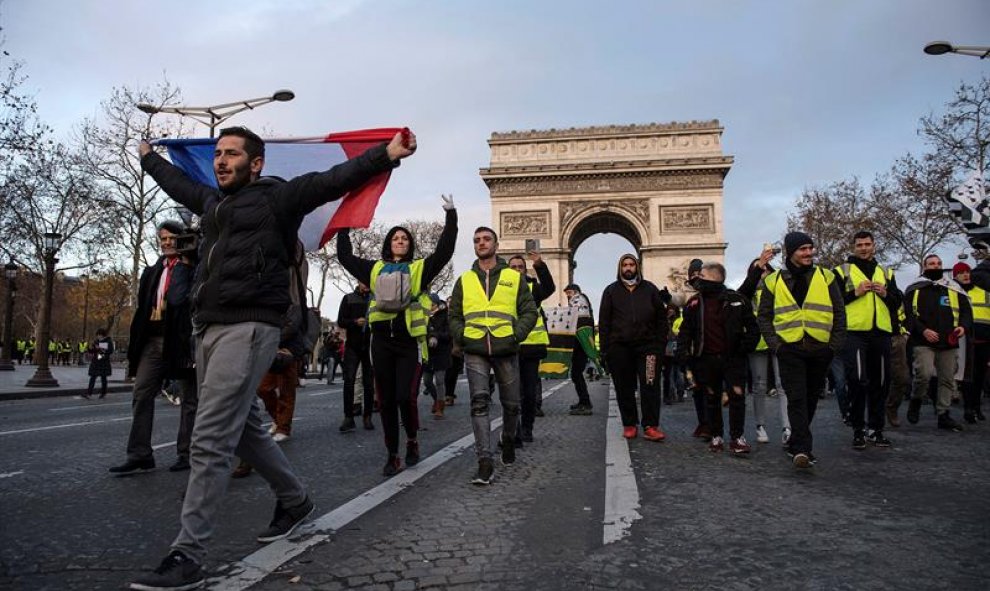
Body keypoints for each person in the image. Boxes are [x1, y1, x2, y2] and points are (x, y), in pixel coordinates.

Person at [130, 126, 416, 591]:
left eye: (232, 154)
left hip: (249, 326)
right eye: (218, 154)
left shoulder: (277, 199)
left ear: (256, 163)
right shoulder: (212, 204)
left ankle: (188, 553)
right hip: (208, 326)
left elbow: (332, 179)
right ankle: (295, 499)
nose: (221, 161)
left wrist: (385, 154)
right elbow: (179, 185)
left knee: (210, 434)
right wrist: (148, 158)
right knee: (241, 427)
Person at [337, 195, 457, 476]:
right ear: (388, 243)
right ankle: (392, 454)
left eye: (404, 238)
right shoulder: (374, 268)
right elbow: (344, 257)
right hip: (380, 343)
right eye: (395, 237)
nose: (400, 241)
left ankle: (412, 440)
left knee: (405, 397)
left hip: (408, 343)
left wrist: (451, 216)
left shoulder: (419, 269)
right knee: (387, 401)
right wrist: (344, 226)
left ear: (410, 244)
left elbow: (445, 251)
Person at [109, 220, 198, 475]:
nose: (167, 243)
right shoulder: (151, 272)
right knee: (142, 392)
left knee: (189, 398)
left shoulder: (193, 269)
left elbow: (182, 299)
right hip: (153, 338)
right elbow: (142, 307)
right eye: (163, 239)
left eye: (172, 238)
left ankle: (187, 453)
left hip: (181, 341)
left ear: (182, 241)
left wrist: (185, 264)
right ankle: (140, 454)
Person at [450, 226, 537, 485]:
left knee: (512, 405)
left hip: (505, 348)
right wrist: (463, 336)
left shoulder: (514, 277)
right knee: (479, 402)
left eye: (486, 239)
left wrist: (515, 335)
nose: (481, 243)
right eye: (476, 240)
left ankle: (508, 438)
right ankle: (484, 461)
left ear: (497, 245)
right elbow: (453, 314)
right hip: (475, 348)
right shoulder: (464, 280)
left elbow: (529, 311)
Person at [757, 232, 846, 469]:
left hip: (820, 347)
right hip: (790, 348)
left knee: (811, 398)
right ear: (790, 252)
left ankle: (797, 438)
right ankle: (802, 449)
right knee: (796, 398)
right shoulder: (772, 281)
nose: (808, 253)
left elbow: (839, 312)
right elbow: (764, 316)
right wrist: (776, 345)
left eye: (810, 248)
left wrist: (833, 346)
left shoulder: (827, 277)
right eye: (802, 249)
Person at [679, 262, 760, 453]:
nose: (697, 279)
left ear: (714, 279)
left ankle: (737, 437)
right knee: (712, 397)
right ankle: (716, 435)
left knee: (737, 397)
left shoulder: (737, 300)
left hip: (733, 358)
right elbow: (685, 331)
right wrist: (683, 354)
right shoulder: (693, 303)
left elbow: (753, 328)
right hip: (706, 359)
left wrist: (744, 348)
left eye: (702, 276)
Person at [833, 231, 902, 449]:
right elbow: (833, 302)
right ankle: (858, 429)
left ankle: (876, 428)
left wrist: (885, 294)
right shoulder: (841, 271)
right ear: (853, 247)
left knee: (881, 381)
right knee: (858, 379)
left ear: (874, 246)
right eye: (860, 244)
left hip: (881, 331)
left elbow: (897, 301)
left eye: (867, 244)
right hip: (854, 332)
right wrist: (855, 292)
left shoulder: (885, 271)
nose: (864, 248)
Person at [599, 254, 669, 441]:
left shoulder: (650, 289)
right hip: (620, 348)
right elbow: (604, 322)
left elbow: (662, 318)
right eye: (625, 265)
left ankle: (651, 425)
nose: (628, 268)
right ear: (620, 268)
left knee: (650, 385)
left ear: (637, 266)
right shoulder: (611, 291)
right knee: (624, 387)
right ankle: (629, 424)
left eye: (631, 264)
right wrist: (605, 350)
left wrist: (660, 344)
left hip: (648, 347)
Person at [904, 255, 971, 432]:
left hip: (948, 341)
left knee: (947, 379)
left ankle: (943, 414)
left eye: (939, 263)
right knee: (923, 375)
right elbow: (908, 315)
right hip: (923, 340)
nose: (936, 266)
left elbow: (965, 311)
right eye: (932, 264)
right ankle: (916, 400)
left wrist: (963, 327)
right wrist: (924, 330)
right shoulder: (915, 289)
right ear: (925, 267)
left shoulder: (954, 288)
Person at [738, 249, 790, 445]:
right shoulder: (746, 294)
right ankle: (760, 426)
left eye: (764, 269)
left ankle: (788, 427)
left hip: (779, 339)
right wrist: (758, 265)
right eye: (757, 270)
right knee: (759, 387)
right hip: (757, 342)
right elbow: (742, 292)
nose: (761, 273)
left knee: (782, 385)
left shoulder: (781, 288)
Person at [508, 251, 555, 442]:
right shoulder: (499, 288)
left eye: (520, 267)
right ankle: (514, 431)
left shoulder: (533, 287)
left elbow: (550, 288)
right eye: (513, 267)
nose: (517, 270)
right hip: (508, 345)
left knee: (528, 393)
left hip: (530, 347)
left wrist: (539, 265)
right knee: (511, 393)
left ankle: (527, 428)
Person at [953, 262, 989, 423]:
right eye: (962, 273)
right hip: (964, 340)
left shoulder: (985, 292)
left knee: (980, 376)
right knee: (968, 376)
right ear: (955, 276)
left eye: (968, 272)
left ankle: (976, 407)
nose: (966, 275)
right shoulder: (954, 293)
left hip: (984, 340)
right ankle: (969, 408)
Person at [337, 283, 374, 431]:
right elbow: (341, 321)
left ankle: (368, 417)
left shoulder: (375, 299)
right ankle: (348, 417)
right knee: (349, 381)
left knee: (369, 383)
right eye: (363, 281)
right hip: (352, 346)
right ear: (358, 281)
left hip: (370, 345)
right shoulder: (348, 298)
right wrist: (354, 322)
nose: (366, 285)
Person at [563, 283, 597, 415]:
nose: (568, 296)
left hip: (580, 343)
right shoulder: (583, 301)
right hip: (580, 343)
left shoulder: (578, 299)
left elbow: (577, 321)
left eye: (569, 293)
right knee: (576, 374)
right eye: (566, 294)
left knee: (576, 373)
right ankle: (583, 401)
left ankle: (586, 403)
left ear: (576, 292)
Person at [423, 294, 453, 419]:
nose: (430, 307)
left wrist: (436, 336)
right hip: (428, 353)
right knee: (427, 381)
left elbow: (449, 334)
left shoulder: (445, 316)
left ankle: (440, 407)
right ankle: (436, 399)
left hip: (441, 353)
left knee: (440, 381)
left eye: (432, 305)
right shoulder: (424, 316)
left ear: (437, 304)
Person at [85, 328, 114, 399]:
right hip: (95, 362)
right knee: (93, 377)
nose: (97, 337)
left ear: (102, 335)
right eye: (97, 335)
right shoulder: (96, 341)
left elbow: (109, 351)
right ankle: (89, 393)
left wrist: (99, 354)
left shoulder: (108, 342)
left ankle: (103, 393)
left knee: (103, 378)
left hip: (103, 363)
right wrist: (89, 349)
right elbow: (94, 350)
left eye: (99, 335)